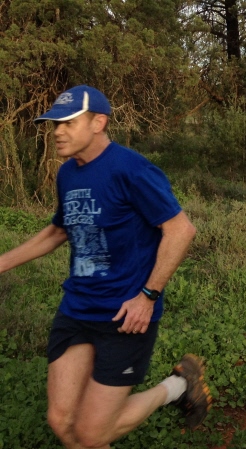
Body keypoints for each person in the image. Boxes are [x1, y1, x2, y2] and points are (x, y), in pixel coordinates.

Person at [0, 85, 212, 448]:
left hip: (125, 315)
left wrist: (147, 296)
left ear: (99, 122)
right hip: (77, 308)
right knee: (61, 421)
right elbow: (58, 231)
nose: (57, 132)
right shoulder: (68, 174)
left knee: (91, 433)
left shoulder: (131, 169)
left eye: (68, 123)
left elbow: (180, 230)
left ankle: (177, 387)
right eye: (55, 124)